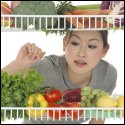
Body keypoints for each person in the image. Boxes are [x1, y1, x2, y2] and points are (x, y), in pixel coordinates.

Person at [2, 30, 117, 124]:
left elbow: (98, 118)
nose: (81, 53)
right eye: (75, 43)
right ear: (64, 43)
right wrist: (18, 64)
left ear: (104, 50)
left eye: (91, 46)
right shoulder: (47, 69)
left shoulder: (107, 75)